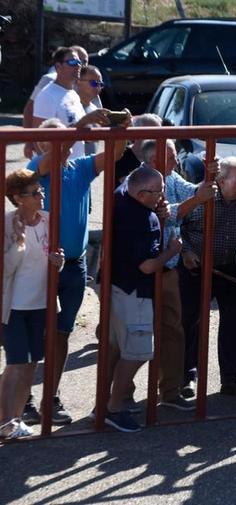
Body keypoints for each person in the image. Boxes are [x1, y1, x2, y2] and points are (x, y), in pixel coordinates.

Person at [24, 114, 130, 425]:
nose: (63, 143)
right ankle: (24, 398)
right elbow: (60, 147)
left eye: (66, 137)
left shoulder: (79, 169)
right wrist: (82, 123)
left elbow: (116, 153)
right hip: (41, 266)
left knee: (61, 334)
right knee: (33, 333)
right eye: (54, 138)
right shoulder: (36, 171)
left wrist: (120, 128)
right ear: (42, 143)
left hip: (73, 266)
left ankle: (50, 397)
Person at [104, 166, 181, 432]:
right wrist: (171, 250)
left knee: (118, 347)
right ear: (140, 192)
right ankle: (113, 408)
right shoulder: (140, 220)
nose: (162, 197)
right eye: (158, 192)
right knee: (137, 353)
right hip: (135, 294)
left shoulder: (121, 195)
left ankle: (106, 404)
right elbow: (147, 266)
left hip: (119, 288)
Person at [179, 157, 236, 398]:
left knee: (234, 323)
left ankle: (231, 378)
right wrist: (186, 251)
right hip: (198, 268)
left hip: (232, 266)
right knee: (191, 321)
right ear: (220, 182)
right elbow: (176, 226)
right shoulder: (201, 198)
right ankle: (186, 377)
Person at [0, 170, 64, 439]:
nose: (41, 196)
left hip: (41, 304)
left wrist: (58, 263)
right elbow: (6, 269)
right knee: (15, 364)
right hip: (14, 306)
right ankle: (4, 422)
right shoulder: (7, 223)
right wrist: (17, 244)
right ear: (18, 198)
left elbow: (52, 260)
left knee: (32, 363)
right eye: (35, 192)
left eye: (41, 191)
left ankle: (15, 419)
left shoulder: (48, 221)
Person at [32, 46, 108, 161]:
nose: (78, 65)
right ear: (58, 66)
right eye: (72, 62)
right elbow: (39, 141)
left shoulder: (73, 94)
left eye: (79, 62)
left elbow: (77, 129)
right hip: (56, 169)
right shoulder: (47, 96)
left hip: (74, 167)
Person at [114, 114, 164, 184]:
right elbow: (128, 186)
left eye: (158, 134)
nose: (155, 139)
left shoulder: (164, 155)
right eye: (150, 133)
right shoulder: (120, 157)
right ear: (135, 134)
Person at [75, 65, 106, 156]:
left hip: (88, 165)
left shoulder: (95, 109)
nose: (98, 87)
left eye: (101, 84)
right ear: (78, 81)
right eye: (94, 83)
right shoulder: (70, 106)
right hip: (69, 164)